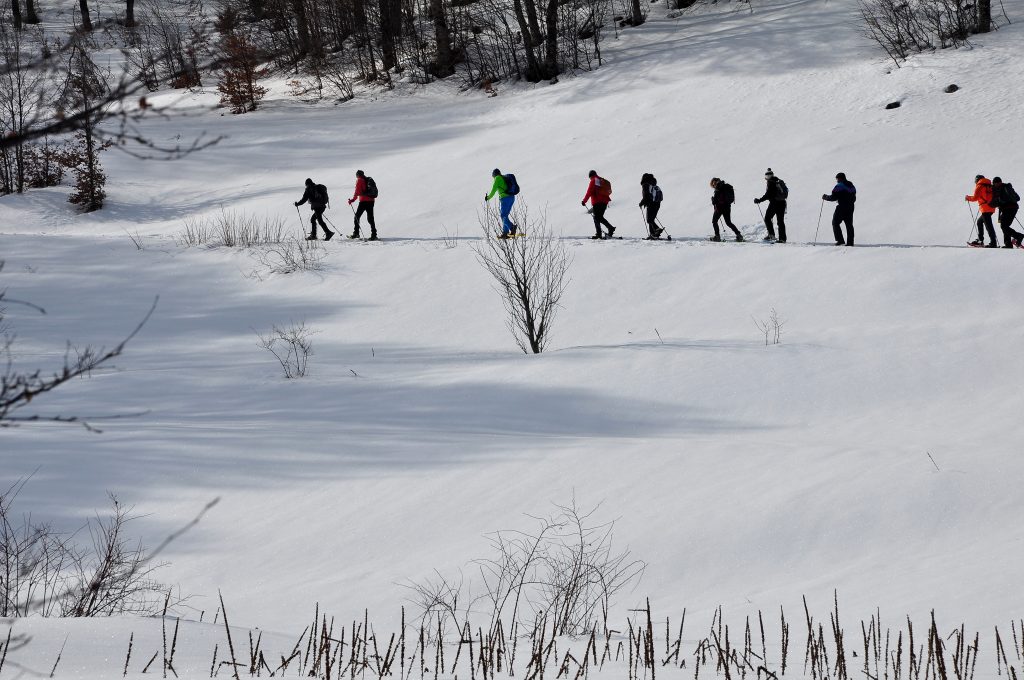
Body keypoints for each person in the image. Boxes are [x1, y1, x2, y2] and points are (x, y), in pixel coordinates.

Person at [754, 168, 788, 243]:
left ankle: (771, 235)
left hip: (774, 203)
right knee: (780, 221)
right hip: (782, 203)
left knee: (767, 218)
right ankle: (782, 239)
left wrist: (759, 200)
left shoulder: (771, 182)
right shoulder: (778, 181)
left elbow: (768, 194)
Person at [822, 172, 856, 246]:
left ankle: (840, 241)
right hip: (851, 207)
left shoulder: (839, 186)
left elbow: (833, 197)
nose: (837, 180)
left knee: (835, 222)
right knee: (849, 224)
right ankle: (850, 243)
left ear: (840, 178)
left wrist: (826, 197)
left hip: (842, 207)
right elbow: (854, 197)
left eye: (837, 179)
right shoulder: (851, 185)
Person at [582, 170, 616, 239]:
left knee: (597, 217)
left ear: (590, 176)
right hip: (605, 202)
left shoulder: (594, 180)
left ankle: (602, 232)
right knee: (598, 217)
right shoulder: (600, 180)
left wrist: (584, 201)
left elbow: (589, 191)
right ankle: (606, 230)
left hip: (597, 202)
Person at [965, 175, 997, 247]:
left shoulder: (980, 186)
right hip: (991, 207)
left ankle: (993, 242)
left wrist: (968, 198)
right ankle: (980, 239)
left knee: (988, 226)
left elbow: (975, 198)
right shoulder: (989, 185)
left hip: (985, 208)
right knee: (980, 222)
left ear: (977, 180)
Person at [485, 168, 518, 238]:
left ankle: (512, 227)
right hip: (511, 197)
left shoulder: (497, 178)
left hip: (505, 198)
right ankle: (505, 233)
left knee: (503, 216)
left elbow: (494, 190)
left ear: (494, 175)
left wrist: (488, 197)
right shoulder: (503, 177)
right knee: (505, 215)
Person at [991, 177, 1023, 248]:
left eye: (995, 183)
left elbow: (1000, 201)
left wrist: (997, 202)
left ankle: (1018, 236)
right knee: (1005, 226)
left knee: (1004, 226)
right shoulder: (1008, 187)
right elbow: (1018, 198)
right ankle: (1008, 244)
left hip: (1008, 209)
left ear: (998, 183)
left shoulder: (1001, 189)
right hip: (1013, 208)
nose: (994, 185)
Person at [347, 170, 378, 241]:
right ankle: (374, 235)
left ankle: (356, 233)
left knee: (357, 217)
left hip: (363, 202)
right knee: (370, 218)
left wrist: (353, 200)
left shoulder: (359, 180)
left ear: (358, 175)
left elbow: (357, 191)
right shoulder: (368, 179)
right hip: (371, 201)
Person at [709, 178, 742, 242]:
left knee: (714, 221)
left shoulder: (718, 188)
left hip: (719, 208)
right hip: (727, 207)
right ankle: (739, 235)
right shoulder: (726, 186)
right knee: (728, 222)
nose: (713, 186)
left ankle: (717, 237)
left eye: (713, 184)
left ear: (714, 183)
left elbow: (714, 202)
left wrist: (713, 200)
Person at [639, 173, 664, 239]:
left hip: (651, 204)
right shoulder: (653, 184)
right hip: (657, 203)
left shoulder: (645, 185)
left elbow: (646, 196)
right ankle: (654, 234)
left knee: (649, 220)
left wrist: (641, 203)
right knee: (651, 220)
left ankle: (657, 229)